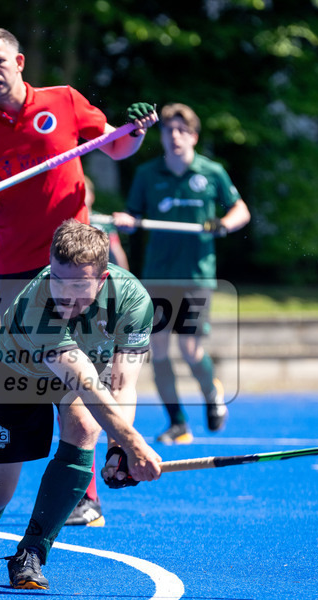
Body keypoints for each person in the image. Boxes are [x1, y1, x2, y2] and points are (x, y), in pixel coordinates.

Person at [0, 26, 158, 527]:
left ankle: (83, 494)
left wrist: (136, 132)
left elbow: (117, 149)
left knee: (81, 375)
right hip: (17, 267)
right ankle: (18, 475)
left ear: (20, 60)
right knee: (40, 368)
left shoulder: (64, 101)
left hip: (76, 266)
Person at [0, 219, 162, 590]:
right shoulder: (36, 306)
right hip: (17, 377)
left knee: (85, 427)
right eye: (57, 280)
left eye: (77, 286)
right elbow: (84, 381)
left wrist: (119, 447)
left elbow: (122, 383)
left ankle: (33, 552)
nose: (63, 295)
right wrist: (136, 445)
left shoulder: (133, 300)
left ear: (102, 280)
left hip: (80, 374)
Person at [112, 103, 250, 445]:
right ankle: (178, 423)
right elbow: (131, 216)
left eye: (182, 131)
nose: (174, 136)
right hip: (158, 276)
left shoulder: (211, 172)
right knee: (157, 350)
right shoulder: (147, 174)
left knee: (189, 349)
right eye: (168, 130)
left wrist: (225, 224)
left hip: (195, 275)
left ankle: (211, 393)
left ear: (194, 136)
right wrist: (126, 221)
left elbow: (241, 210)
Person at [83, 175, 130, 271]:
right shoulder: (67, 221)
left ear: (92, 196)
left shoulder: (103, 221)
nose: (80, 196)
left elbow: (116, 248)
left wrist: (125, 277)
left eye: (84, 192)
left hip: (100, 272)